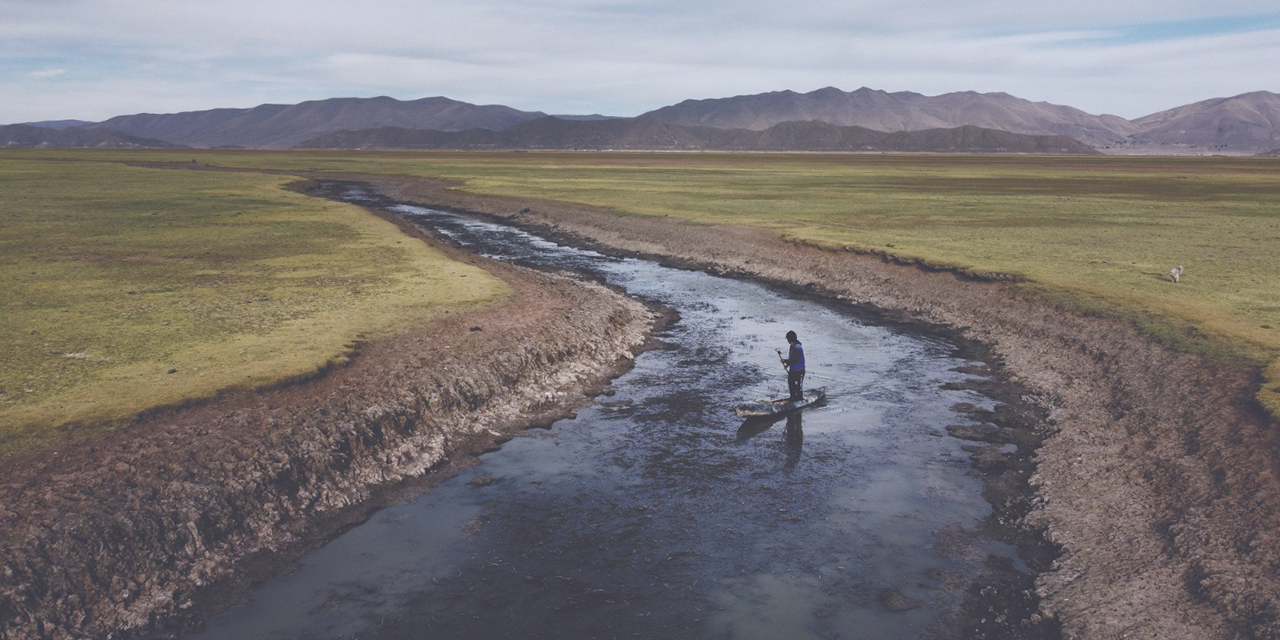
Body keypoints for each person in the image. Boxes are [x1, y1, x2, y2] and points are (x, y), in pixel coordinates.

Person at [779, 330, 806, 401]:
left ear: (789, 339)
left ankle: (800, 399)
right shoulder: (792, 346)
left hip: (799, 371)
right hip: (793, 370)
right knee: (791, 385)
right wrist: (787, 365)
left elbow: (795, 360)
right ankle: (793, 398)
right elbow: (791, 359)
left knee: (798, 387)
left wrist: (785, 361)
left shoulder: (797, 348)